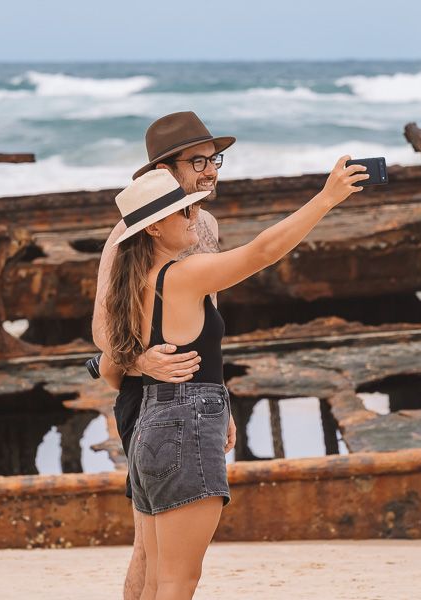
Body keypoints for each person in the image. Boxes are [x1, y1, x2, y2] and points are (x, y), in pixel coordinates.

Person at [101, 157, 367, 599]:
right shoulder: (181, 275)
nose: (194, 217)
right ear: (153, 228)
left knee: (155, 579)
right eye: (183, 211)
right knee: (177, 581)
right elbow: (262, 252)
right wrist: (327, 198)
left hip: (149, 426)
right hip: (186, 425)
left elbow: (111, 371)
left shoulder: (132, 287)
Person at [91, 112, 237, 600]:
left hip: (195, 394)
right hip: (149, 398)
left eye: (213, 159)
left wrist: (223, 396)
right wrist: (139, 362)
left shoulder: (204, 224)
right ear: (163, 170)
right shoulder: (132, 233)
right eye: (197, 161)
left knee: (158, 553)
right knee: (147, 549)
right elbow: (102, 331)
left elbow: (206, 328)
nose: (210, 170)